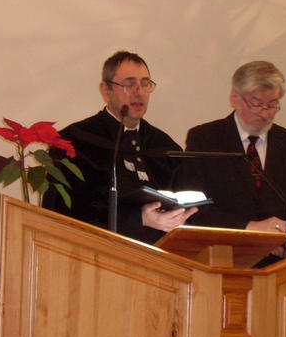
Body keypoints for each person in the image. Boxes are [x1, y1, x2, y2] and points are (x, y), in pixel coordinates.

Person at [42, 50, 196, 244]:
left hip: (161, 256)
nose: (139, 92)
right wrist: (138, 219)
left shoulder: (165, 146)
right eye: (129, 84)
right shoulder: (73, 141)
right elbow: (62, 215)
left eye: (145, 84)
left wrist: (181, 218)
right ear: (106, 91)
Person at [177, 60, 286, 265]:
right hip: (222, 261)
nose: (265, 113)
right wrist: (250, 227)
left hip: (279, 267)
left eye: (272, 104)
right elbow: (193, 210)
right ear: (235, 97)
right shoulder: (205, 139)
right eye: (256, 103)